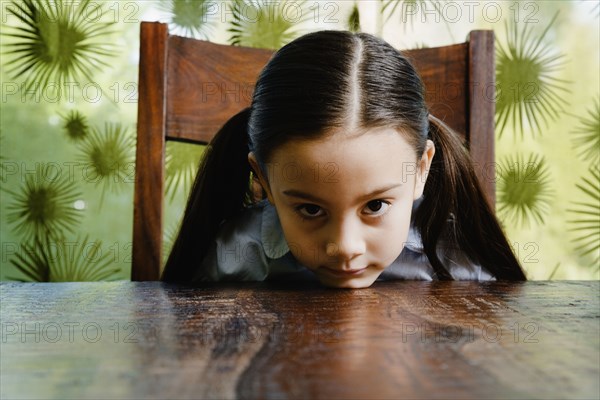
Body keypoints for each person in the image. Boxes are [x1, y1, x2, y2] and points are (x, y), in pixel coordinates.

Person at [162, 30, 527, 288]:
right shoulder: (234, 257)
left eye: (376, 205)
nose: (345, 247)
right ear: (265, 180)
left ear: (420, 170)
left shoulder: (458, 259)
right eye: (309, 209)